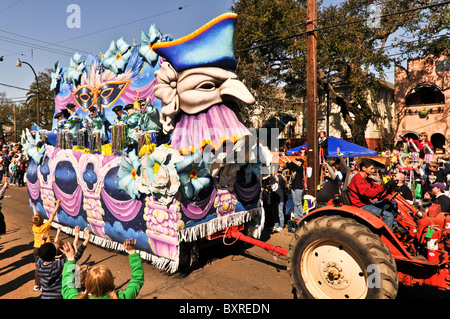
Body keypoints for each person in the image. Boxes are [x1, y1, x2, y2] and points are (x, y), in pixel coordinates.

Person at [61, 238, 144, 299]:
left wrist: (71, 260)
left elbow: (68, 286)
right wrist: (132, 253)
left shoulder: (75, 297)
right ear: (111, 282)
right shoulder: (122, 297)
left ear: (88, 283)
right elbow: (137, 279)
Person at [37, 227, 90, 299]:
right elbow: (75, 257)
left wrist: (43, 241)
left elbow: (41, 254)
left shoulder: (39, 264)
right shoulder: (56, 265)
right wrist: (87, 238)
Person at [347, 159, 397, 229]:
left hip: (367, 203)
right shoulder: (358, 178)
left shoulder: (366, 179)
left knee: (392, 202)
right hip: (361, 206)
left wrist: (386, 186)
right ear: (364, 168)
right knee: (388, 216)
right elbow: (367, 193)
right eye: (371, 169)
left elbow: (376, 186)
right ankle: (386, 238)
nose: (373, 171)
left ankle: (396, 227)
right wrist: (384, 187)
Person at [30, 198, 61, 292]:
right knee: (49, 266)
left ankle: (37, 285)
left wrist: (34, 206)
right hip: (46, 248)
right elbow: (53, 214)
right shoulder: (45, 226)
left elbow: (35, 216)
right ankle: (45, 284)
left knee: (38, 266)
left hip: (36, 248)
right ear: (42, 220)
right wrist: (58, 204)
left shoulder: (34, 227)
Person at [281, 155, 305, 219]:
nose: (297, 162)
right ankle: (296, 216)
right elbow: (290, 166)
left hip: (298, 188)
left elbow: (294, 165)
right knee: (295, 203)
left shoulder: (301, 168)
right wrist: (284, 160)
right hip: (293, 188)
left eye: (298, 161)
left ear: (300, 163)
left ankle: (301, 216)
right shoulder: (295, 169)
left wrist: (287, 159)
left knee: (298, 203)